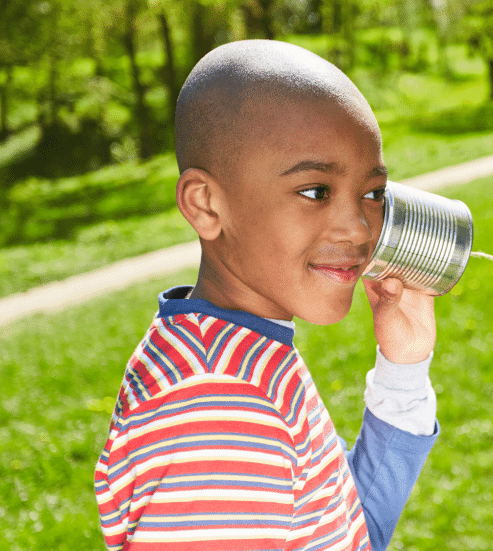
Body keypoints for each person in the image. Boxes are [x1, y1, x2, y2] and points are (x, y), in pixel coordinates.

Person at [94, 39, 439, 551]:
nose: (358, 229)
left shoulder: (243, 355)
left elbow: (348, 530)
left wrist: (403, 369)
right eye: (315, 191)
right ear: (207, 205)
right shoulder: (216, 409)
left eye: (371, 193)